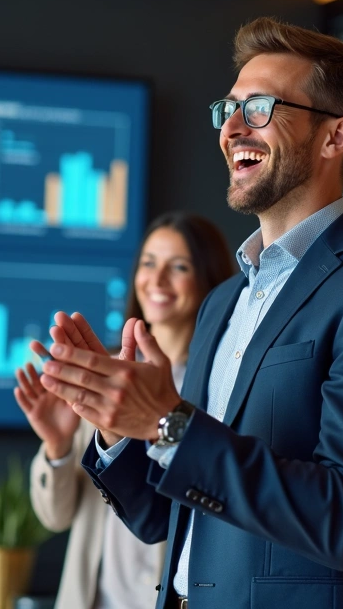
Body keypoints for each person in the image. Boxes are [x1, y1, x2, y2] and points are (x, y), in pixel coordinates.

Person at [33, 17, 343, 609]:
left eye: (257, 108)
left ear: (335, 137)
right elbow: (167, 518)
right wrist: (115, 425)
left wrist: (167, 423)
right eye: (227, 109)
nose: (230, 128)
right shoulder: (224, 301)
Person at [18, 212, 235, 609]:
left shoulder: (222, 384)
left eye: (179, 266)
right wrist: (57, 445)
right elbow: (54, 516)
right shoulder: (106, 376)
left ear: (207, 278)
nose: (157, 279)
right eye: (149, 263)